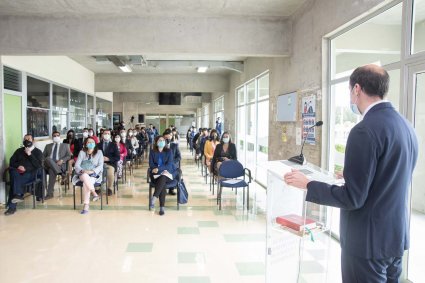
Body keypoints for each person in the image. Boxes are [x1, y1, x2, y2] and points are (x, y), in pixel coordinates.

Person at [284, 65, 418, 283]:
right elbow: (392, 178)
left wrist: (308, 185)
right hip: (395, 239)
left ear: (357, 89)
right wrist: (354, 177)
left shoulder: (364, 130)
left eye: (349, 90)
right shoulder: (407, 127)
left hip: (367, 244)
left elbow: (353, 198)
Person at [5, 134, 43, 215]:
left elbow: (39, 166)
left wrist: (30, 155)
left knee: (14, 182)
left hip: (31, 174)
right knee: (14, 174)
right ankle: (18, 195)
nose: (26, 141)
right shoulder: (19, 151)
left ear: (33, 141)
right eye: (25, 139)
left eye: (28, 139)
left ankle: (12, 206)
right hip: (18, 173)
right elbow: (11, 162)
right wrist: (19, 166)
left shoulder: (38, 152)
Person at [72, 137, 103, 214]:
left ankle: (86, 205)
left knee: (86, 183)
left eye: (92, 142)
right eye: (89, 142)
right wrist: (83, 171)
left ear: (95, 144)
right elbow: (77, 165)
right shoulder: (82, 152)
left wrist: (92, 171)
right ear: (85, 144)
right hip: (82, 173)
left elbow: (100, 165)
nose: (91, 144)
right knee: (85, 176)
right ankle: (94, 193)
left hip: (94, 174)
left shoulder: (99, 152)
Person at [149, 136, 176, 216]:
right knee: (162, 182)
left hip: (167, 173)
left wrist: (159, 169)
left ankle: (154, 198)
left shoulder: (169, 151)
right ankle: (161, 208)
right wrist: (154, 169)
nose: (162, 142)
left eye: (163, 140)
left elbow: (169, 165)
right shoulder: (152, 151)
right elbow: (151, 164)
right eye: (160, 140)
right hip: (155, 174)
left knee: (163, 177)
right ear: (156, 142)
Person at [43, 131, 72, 199]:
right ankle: (62, 174)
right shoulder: (48, 146)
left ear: (60, 136)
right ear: (52, 137)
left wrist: (62, 160)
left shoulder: (65, 145)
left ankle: (50, 194)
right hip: (48, 164)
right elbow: (43, 156)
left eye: (57, 135)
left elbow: (69, 156)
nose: (56, 137)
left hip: (59, 164)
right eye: (54, 136)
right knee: (48, 158)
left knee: (52, 170)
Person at [98, 130, 120, 196]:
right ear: (102, 135)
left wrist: (109, 159)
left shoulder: (113, 145)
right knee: (96, 172)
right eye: (105, 133)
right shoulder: (98, 145)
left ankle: (109, 188)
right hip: (99, 164)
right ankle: (97, 188)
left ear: (110, 135)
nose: (106, 135)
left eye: (108, 134)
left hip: (110, 164)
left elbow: (117, 157)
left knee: (110, 173)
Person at [163, 129, 181, 195]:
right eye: (166, 138)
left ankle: (171, 188)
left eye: (169, 137)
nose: (167, 139)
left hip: (172, 165)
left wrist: (172, 162)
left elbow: (179, 157)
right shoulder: (161, 146)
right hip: (163, 165)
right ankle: (163, 188)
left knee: (174, 171)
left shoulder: (174, 146)